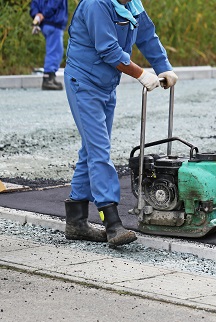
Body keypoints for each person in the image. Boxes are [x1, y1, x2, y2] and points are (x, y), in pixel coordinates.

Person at [63, 0, 178, 247]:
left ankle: (76, 222)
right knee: (99, 150)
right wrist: (141, 74)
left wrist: (164, 67)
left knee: (91, 150)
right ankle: (112, 223)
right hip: (83, 83)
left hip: (106, 86)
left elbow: (147, 35)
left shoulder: (131, 3)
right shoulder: (96, 4)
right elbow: (109, 50)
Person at [30, 0, 68, 90]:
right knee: (55, 51)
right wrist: (44, 14)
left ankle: (51, 77)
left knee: (52, 49)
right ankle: (48, 78)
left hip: (43, 23)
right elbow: (54, 3)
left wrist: (37, 15)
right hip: (53, 21)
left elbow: (34, 3)